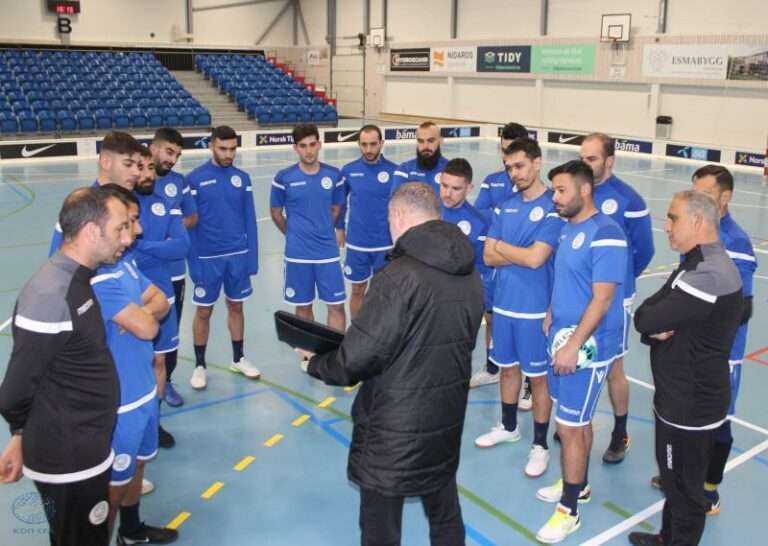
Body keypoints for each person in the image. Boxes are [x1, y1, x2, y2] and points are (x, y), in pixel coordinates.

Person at [299, 182, 484, 546]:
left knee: (380, 526)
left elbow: (357, 358)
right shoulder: (469, 272)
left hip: (393, 428)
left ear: (398, 216)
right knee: (445, 512)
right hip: (445, 417)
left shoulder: (398, 277)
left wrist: (316, 363)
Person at [0, 187, 131, 546]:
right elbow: (15, 389)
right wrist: (21, 431)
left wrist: (20, 436)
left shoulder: (77, 278)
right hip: (70, 454)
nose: (129, 236)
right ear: (92, 231)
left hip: (83, 442)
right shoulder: (50, 293)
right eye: (120, 228)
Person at [631, 190, 744, 546]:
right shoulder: (695, 260)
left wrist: (651, 326)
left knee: (685, 487)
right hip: (680, 395)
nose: (666, 226)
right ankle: (668, 536)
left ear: (697, 221)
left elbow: (646, 316)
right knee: (674, 477)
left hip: (690, 403)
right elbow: (655, 310)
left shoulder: (708, 273)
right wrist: (654, 328)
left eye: (673, 217)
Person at [650, 165, 756, 513]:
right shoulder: (696, 233)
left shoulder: (735, 243)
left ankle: (709, 488)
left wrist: (680, 320)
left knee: (717, 421)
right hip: (688, 349)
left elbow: (741, 306)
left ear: (724, 198)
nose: (697, 198)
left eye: (705, 193)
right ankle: (680, 478)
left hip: (721, 353)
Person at [535, 160, 627, 544]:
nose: (554, 197)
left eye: (561, 190)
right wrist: (553, 313)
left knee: (570, 427)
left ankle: (569, 510)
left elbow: (603, 299)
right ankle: (580, 485)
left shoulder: (606, 234)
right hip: (563, 338)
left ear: (584, 190)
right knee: (574, 420)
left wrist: (573, 346)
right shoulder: (566, 229)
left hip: (587, 347)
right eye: (554, 190)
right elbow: (567, 278)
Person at [90, 185, 178, 545]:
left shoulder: (124, 264)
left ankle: (131, 530)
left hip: (144, 391)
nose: (136, 233)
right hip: (121, 401)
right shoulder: (98, 278)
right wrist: (142, 315)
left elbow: (162, 300)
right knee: (114, 485)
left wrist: (139, 314)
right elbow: (148, 324)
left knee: (138, 468)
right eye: (126, 225)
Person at [478, 138, 565, 479]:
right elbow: (487, 256)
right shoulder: (504, 206)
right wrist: (516, 251)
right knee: (509, 369)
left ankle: (540, 445)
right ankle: (509, 426)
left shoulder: (553, 207)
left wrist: (503, 247)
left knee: (539, 379)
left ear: (537, 163)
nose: (515, 173)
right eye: (510, 168)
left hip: (535, 311)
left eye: (520, 166)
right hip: (504, 305)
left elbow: (537, 259)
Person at [579, 133, 654, 463]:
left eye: (592, 159)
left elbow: (645, 251)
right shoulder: (578, 191)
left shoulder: (630, 200)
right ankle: (580, 420)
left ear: (610, 160)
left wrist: (618, 282)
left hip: (614, 299)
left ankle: (619, 431)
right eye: (583, 158)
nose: (585, 164)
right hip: (579, 293)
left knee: (613, 368)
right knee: (577, 353)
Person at [186, 126, 260, 390]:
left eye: (232, 149)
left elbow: (250, 220)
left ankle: (238, 358)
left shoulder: (243, 178)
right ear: (211, 146)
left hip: (238, 257)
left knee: (237, 307)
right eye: (223, 149)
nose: (229, 154)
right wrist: (193, 262)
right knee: (203, 311)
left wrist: (252, 258)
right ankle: (199, 365)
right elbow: (190, 226)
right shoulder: (194, 179)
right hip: (207, 258)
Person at [133, 147, 190, 449]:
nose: (147, 175)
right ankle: (130, 426)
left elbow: (182, 246)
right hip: (132, 297)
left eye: (151, 169)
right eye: (140, 168)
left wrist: (143, 247)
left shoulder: (164, 203)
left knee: (159, 363)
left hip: (163, 295)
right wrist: (160, 245)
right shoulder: (120, 204)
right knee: (130, 363)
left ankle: (154, 424)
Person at [470, 122, 530, 391]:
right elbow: (481, 214)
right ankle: (493, 366)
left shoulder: (539, 189)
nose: (508, 161)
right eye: (504, 153)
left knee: (528, 323)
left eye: (513, 154)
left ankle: (529, 380)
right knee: (491, 316)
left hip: (526, 271)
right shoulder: (492, 181)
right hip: (494, 264)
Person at [270, 124, 347, 330]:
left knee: (337, 306)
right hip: (297, 255)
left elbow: (336, 208)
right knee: (303, 308)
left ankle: (337, 357)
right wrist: (293, 233)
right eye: (303, 146)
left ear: (319, 144)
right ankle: (308, 357)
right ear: (295, 148)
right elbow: (276, 213)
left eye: (312, 144)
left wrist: (322, 228)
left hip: (327, 253)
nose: (309, 150)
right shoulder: (283, 177)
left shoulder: (334, 175)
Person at [150, 127, 198, 408]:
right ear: (152, 148)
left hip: (175, 272)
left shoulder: (179, 183)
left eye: (177, 155)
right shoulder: (136, 182)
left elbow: (192, 217)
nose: (173, 159)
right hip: (143, 274)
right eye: (169, 152)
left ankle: (166, 382)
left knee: (170, 330)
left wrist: (175, 231)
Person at [49, 131, 143, 255]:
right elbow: (62, 267)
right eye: (128, 164)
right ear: (106, 162)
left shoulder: (132, 203)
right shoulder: (81, 210)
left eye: (139, 166)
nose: (137, 173)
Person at [338, 125, 398, 318]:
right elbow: (340, 204)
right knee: (357, 291)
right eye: (364, 144)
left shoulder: (395, 172)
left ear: (382, 143)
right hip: (357, 244)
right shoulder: (348, 171)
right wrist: (339, 228)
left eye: (373, 144)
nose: (369, 149)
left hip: (386, 244)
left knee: (384, 294)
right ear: (358, 144)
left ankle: (381, 336)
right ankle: (357, 335)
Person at [391, 121, 449, 195]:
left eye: (431, 141)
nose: (425, 146)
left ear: (440, 141)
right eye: (421, 141)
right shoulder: (405, 170)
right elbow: (396, 202)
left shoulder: (451, 170)